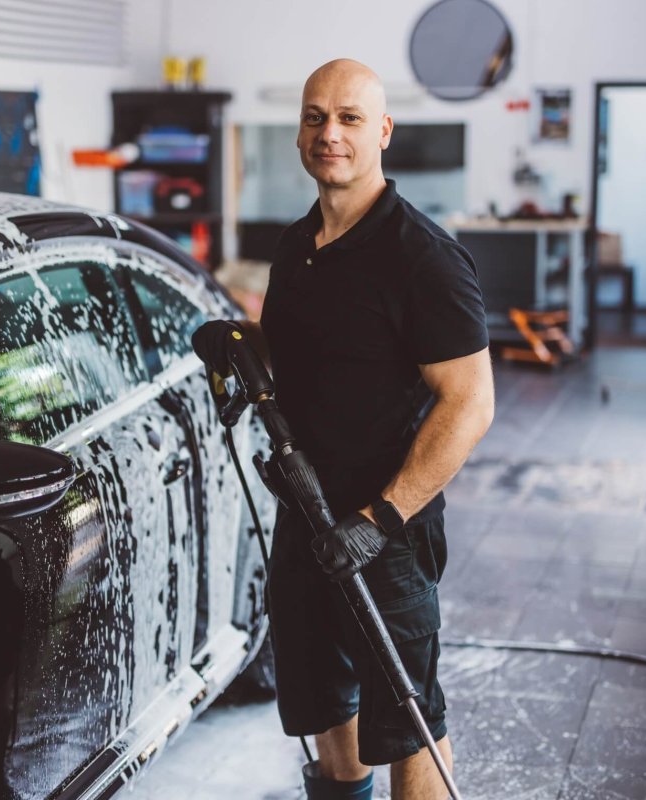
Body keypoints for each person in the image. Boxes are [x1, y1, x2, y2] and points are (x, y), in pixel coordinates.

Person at [193, 58, 494, 800]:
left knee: (407, 717)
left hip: (384, 529)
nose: (329, 133)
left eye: (349, 118)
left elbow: (469, 403)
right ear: (300, 134)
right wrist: (240, 343)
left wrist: (380, 518)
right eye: (315, 117)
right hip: (303, 511)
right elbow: (305, 349)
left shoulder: (423, 258)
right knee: (323, 700)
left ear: (382, 131)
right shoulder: (298, 244)